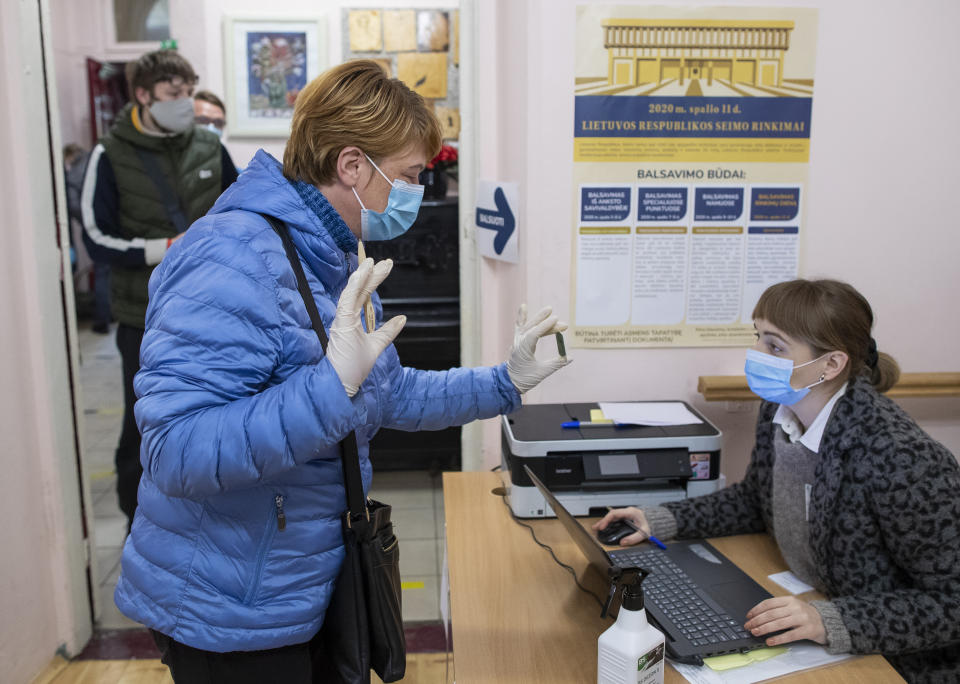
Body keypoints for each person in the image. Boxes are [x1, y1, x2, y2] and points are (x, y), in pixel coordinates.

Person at [114, 59, 570, 681]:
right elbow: (175, 452)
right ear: (353, 166)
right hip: (229, 607)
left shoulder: (328, 253)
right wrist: (329, 387)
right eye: (411, 176)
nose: (419, 193)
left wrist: (503, 383)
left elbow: (388, 392)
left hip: (303, 581)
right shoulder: (230, 257)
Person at [594, 279, 960, 684]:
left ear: (831, 365)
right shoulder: (780, 408)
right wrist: (661, 520)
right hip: (813, 607)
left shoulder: (900, 457)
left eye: (775, 346)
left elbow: (952, 602)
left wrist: (831, 620)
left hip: (898, 663)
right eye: (758, 339)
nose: (757, 356)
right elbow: (755, 501)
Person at [80, 49, 239, 531]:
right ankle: (140, 525)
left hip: (214, 308)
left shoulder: (209, 148)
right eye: (174, 95)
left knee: (216, 414)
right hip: (146, 315)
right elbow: (94, 235)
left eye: (189, 93)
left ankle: (211, 520)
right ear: (144, 95)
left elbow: (242, 211)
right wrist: (162, 248)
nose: (185, 103)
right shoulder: (110, 153)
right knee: (145, 423)